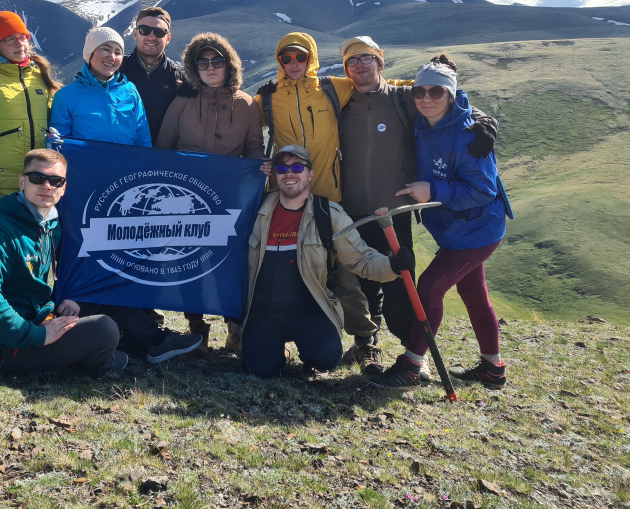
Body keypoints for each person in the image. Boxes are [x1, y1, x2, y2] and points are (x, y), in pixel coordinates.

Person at [335, 36, 498, 374]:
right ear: (345, 68)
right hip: (355, 211)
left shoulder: (401, 97)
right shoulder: (339, 97)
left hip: (396, 216)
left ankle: (414, 360)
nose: (359, 65)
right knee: (363, 285)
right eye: (352, 60)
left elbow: (451, 98)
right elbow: (439, 95)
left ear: (380, 62)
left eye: (366, 58)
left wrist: (482, 120)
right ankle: (368, 346)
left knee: (404, 286)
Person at [0, 149, 203, 371]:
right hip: (7, 346)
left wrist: (74, 294)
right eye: (37, 177)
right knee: (104, 329)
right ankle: (95, 356)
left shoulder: (50, 223)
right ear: (22, 181)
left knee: (100, 285)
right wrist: (37, 335)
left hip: (41, 317)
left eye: (55, 180)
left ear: (64, 187)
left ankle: (154, 341)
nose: (46, 185)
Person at [370, 55, 509, 390]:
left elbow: (483, 189)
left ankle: (411, 366)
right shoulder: (422, 121)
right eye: (420, 91)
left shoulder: (469, 134)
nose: (426, 99)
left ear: (451, 95)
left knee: (430, 286)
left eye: (437, 92)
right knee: (473, 292)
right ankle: (493, 369)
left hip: (477, 229)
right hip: (454, 229)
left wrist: (431, 190)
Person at [237, 144, 415, 378]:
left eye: (297, 167)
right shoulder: (255, 210)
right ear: (275, 174)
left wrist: (392, 265)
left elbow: (361, 259)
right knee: (258, 369)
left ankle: (304, 343)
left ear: (310, 174)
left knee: (326, 358)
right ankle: (274, 346)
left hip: (310, 307)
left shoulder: (328, 214)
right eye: (282, 168)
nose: (289, 173)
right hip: (263, 311)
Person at [155, 33, 266, 352]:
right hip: (185, 202)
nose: (211, 67)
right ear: (194, 68)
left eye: (217, 61)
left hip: (230, 202)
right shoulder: (182, 103)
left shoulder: (246, 104)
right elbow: (163, 150)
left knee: (231, 265)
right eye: (203, 63)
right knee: (192, 263)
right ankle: (196, 328)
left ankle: (235, 329)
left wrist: (261, 172)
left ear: (229, 64)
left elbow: (254, 152)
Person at [0, 11, 62, 220]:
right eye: (10, 39)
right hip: (1, 190)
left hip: (41, 186)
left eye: (23, 37)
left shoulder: (40, 76)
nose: (20, 44)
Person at [254, 32, 354, 202]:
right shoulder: (268, 97)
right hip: (284, 194)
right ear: (280, 62)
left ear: (311, 58)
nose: (294, 64)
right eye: (286, 59)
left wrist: (415, 88)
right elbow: (238, 118)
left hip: (327, 194)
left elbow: (375, 85)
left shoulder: (334, 88)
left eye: (300, 57)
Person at [49, 26, 151, 146]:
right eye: (106, 49)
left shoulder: (130, 90)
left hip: (127, 163)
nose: (112, 56)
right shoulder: (65, 96)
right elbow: (60, 144)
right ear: (90, 53)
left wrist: (144, 162)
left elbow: (143, 136)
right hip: (86, 164)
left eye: (118, 52)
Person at [119, 7, 182, 144]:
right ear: (135, 34)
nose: (151, 37)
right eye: (144, 30)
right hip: (122, 152)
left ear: (168, 38)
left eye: (159, 32)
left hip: (163, 157)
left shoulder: (180, 75)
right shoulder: (116, 69)